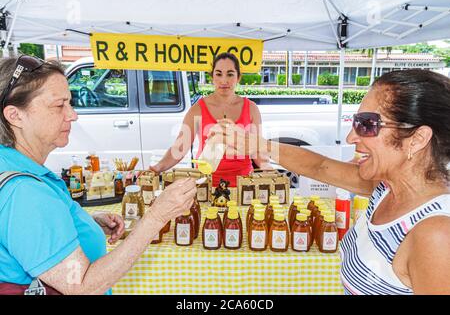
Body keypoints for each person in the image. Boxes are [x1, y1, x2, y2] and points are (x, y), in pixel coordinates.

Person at [212, 69, 450, 294]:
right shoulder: (386, 188)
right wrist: (258, 145)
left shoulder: (436, 235)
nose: (350, 137)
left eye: (367, 124)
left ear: (418, 139)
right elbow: (320, 167)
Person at [0, 55, 197, 295]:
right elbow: (80, 286)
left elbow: (28, 234)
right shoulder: (24, 193)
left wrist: (82, 223)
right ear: (15, 115)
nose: (72, 115)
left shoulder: (11, 166)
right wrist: (156, 217)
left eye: (70, 103)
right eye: (59, 105)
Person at [150, 52, 271, 187]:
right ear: (212, 77)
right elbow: (180, 147)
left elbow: (256, 148)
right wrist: (157, 168)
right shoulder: (198, 109)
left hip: (243, 185)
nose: (224, 80)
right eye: (218, 74)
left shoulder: (251, 108)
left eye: (230, 74)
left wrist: (267, 166)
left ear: (238, 77)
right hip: (206, 184)